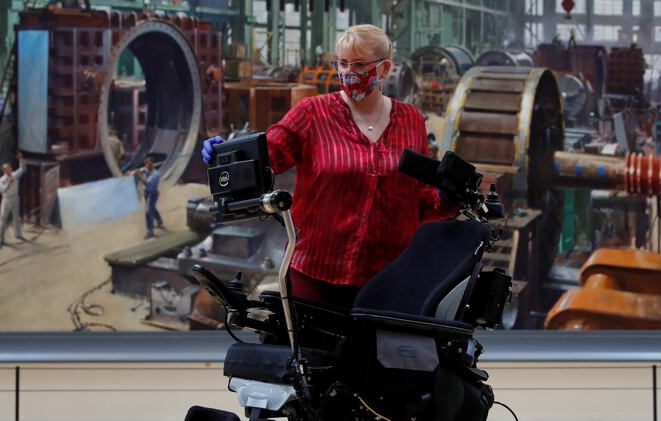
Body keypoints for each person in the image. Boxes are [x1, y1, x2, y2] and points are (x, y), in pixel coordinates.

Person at [203, 24, 456, 309]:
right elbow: (267, 155)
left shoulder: (411, 120)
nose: (348, 72)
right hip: (314, 274)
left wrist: (445, 197)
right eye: (342, 63)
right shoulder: (312, 113)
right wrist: (227, 152)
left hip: (387, 278)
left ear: (384, 69)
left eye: (359, 64)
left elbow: (419, 198)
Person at [0, 152, 26, 249]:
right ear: (4, 170)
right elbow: (1, 191)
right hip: (7, 199)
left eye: (10, 167)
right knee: (3, 218)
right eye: (7, 168)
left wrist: (21, 159)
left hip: (16, 197)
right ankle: (0, 239)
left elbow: (22, 169)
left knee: (16, 217)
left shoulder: (15, 175)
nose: (9, 169)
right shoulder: (1, 180)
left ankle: (18, 234)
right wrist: (8, 183)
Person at [133, 156, 164, 239]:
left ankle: (150, 231)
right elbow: (137, 175)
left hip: (152, 194)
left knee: (148, 211)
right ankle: (159, 220)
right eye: (146, 164)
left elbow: (146, 183)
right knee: (152, 208)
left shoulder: (155, 174)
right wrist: (132, 173)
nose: (147, 165)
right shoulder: (145, 171)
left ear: (152, 164)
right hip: (147, 193)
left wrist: (138, 174)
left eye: (149, 164)